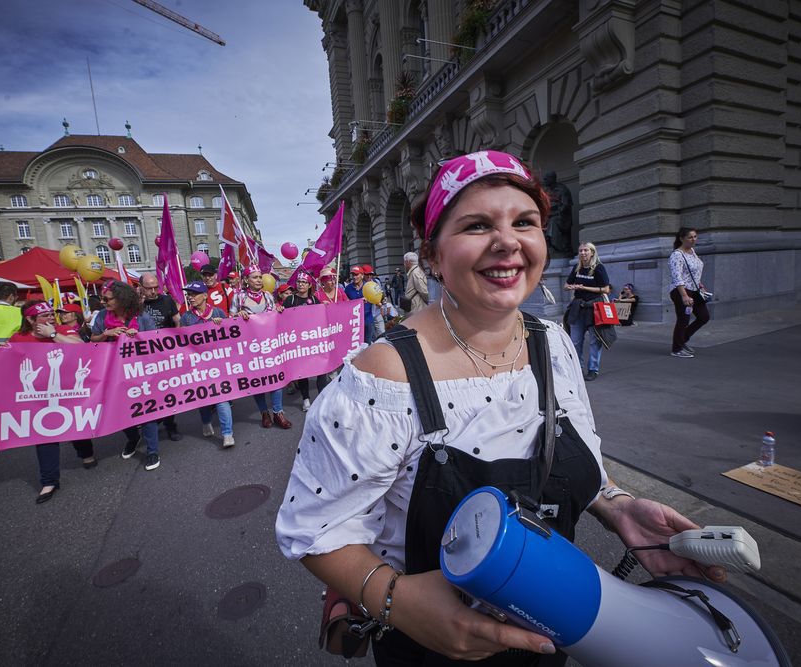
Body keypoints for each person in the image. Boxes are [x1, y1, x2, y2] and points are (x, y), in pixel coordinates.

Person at [275, 149, 724, 666]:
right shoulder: (383, 378)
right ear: (433, 255)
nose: (507, 241)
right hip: (432, 651)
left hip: (554, 631)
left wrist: (617, 506)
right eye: (477, 224)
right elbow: (314, 530)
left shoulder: (553, 344)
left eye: (525, 222)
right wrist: (397, 601)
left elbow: (564, 456)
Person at [8, 300, 95, 503]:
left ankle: (86, 453)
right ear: (30, 319)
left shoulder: (63, 330)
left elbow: (81, 347)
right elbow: (10, 363)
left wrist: (54, 335)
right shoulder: (18, 337)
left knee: (75, 423)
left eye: (51, 314)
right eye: (45, 316)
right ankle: (49, 481)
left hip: (68, 390)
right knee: (44, 434)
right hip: (40, 396)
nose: (51, 319)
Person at [90, 281, 162, 470]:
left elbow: (156, 339)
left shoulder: (142, 317)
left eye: (107, 299)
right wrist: (107, 333)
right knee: (120, 410)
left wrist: (137, 336)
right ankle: (133, 437)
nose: (104, 302)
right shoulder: (102, 317)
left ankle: (152, 451)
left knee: (147, 410)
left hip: (141, 371)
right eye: (103, 299)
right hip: (114, 373)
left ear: (121, 298)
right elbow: (93, 339)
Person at [232, 266, 292, 429]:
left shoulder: (268, 296)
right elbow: (230, 320)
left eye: (260, 277)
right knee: (257, 380)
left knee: (275, 377)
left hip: (269, 345)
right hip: (250, 347)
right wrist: (237, 316)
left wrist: (279, 310)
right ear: (246, 280)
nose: (259, 280)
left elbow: (274, 317)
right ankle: (264, 412)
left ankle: (278, 412)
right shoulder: (238, 297)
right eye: (255, 277)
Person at [180, 281, 235, 448]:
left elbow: (231, 335)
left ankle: (227, 434)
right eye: (188, 294)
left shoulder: (218, 312)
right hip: (198, 366)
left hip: (218, 364)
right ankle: (206, 421)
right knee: (204, 398)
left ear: (205, 295)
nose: (190, 297)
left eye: (194, 294)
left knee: (221, 398)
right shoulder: (186, 317)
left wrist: (222, 325)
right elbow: (182, 342)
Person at [138, 273, 183, 441]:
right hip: (143, 357)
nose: (153, 291)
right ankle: (152, 422)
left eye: (155, 287)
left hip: (164, 354)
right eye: (149, 288)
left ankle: (171, 425)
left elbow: (176, 321)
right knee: (147, 392)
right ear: (141, 287)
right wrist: (137, 306)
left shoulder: (166, 300)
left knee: (167, 390)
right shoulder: (135, 304)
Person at [564, 242, 611, 381]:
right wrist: (572, 287)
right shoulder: (577, 268)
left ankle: (593, 370)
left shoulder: (598, 268)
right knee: (575, 341)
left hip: (594, 308)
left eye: (586, 250)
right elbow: (566, 285)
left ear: (592, 252)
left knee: (594, 341)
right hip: (578, 307)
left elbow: (606, 289)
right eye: (580, 250)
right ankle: (577, 368)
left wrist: (584, 288)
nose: (583, 253)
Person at [283, 271, 324, 411]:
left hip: (313, 341)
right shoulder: (290, 300)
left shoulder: (314, 300)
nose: (301, 284)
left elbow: (321, 318)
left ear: (309, 285)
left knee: (321, 369)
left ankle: (322, 397)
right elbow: (283, 320)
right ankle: (306, 399)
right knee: (303, 371)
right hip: (297, 342)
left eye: (304, 282)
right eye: (299, 282)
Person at [668, 227, 710, 359]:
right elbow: (677, 277)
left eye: (695, 237)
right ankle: (676, 348)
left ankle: (682, 339)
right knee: (683, 320)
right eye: (690, 237)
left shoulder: (692, 251)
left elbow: (694, 271)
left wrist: (700, 284)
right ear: (681, 238)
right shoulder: (677, 255)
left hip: (695, 289)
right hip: (681, 290)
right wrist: (684, 296)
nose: (693, 240)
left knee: (704, 316)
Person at [345, 265, 376, 344]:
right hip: (354, 321)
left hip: (368, 319)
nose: (354, 277)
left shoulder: (369, 286)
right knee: (356, 343)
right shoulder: (348, 288)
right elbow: (345, 303)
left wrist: (370, 299)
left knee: (367, 342)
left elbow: (378, 298)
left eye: (356, 274)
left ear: (362, 276)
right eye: (353, 275)